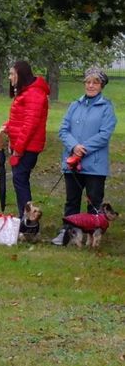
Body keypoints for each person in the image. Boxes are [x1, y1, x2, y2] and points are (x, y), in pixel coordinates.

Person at [52, 67, 118, 245]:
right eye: (88, 82)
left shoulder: (107, 108)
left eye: (95, 82)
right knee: (71, 201)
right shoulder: (74, 105)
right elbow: (63, 130)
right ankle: (66, 233)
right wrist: (74, 146)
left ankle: (93, 237)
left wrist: (83, 148)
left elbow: (104, 134)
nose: (91, 86)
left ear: (102, 85)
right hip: (72, 163)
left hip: (95, 165)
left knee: (94, 202)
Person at [0, 60, 49, 223]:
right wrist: (8, 126)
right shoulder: (26, 92)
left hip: (28, 147)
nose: (9, 77)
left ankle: (28, 218)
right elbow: (20, 118)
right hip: (22, 144)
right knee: (20, 180)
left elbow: (30, 125)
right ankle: (26, 216)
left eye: (12, 74)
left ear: (21, 75)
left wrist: (18, 149)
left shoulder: (34, 94)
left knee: (20, 180)